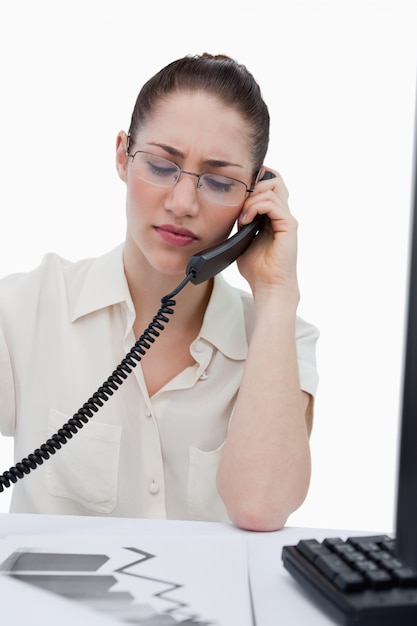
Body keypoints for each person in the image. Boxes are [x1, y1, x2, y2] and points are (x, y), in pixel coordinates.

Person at [0, 53, 318, 531]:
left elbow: (260, 507)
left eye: (218, 181)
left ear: (255, 197)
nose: (182, 203)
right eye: (162, 165)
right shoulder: (28, 307)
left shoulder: (281, 340)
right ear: (123, 156)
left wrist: (276, 291)